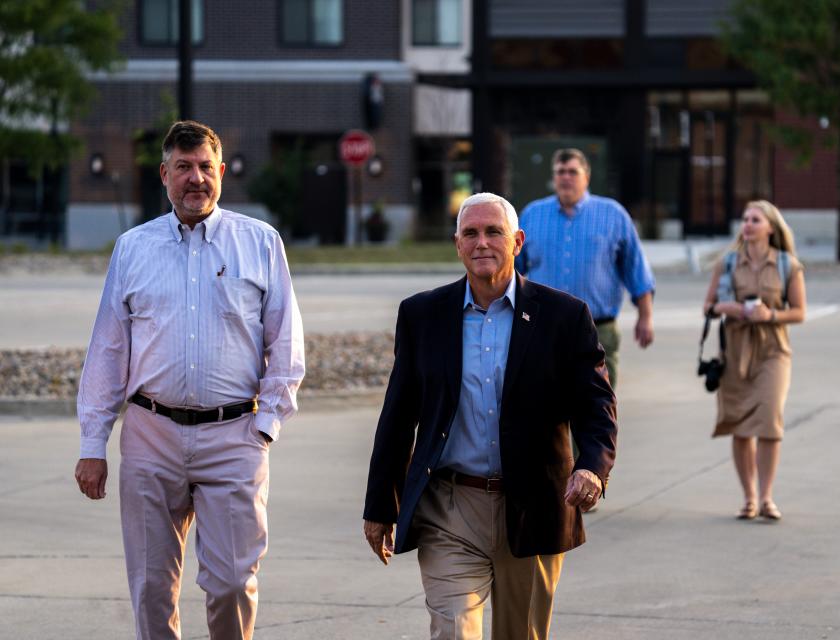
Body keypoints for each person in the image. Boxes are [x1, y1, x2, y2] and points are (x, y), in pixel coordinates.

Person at [74, 120, 305, 639]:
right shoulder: (133, 248)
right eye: (183, 168)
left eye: (205, 167)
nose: (195, 178)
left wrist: (265, 425)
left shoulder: (260, 243)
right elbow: (109, 350)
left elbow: (286, 346)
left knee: (230, 583)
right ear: (164, 175)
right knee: (152, 587)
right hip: (150, 435)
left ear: (222, 172)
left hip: (234, 437)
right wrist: (94, 442)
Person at [362, 192, 617, 639]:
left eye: (494, 232)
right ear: (457, 243)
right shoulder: (422, 315)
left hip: (535, 503)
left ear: (517, 241)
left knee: (521, 634)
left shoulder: (564, 316)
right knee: (454, 630)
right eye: (471, 233)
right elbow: (399, 414)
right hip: (450, 505)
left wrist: (592, 467)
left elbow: (595, 405)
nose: (482, 242)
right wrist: (382, 506)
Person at [701, 200, 806, 521]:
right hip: (734, 352)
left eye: (755, 220)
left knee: (770, 421)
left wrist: (769, 313)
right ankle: (748, 498)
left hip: (773, 351)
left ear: (770, 227)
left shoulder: (788, 264)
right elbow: (708, 306)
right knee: (741, 425)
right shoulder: (728, 263)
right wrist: (727, 308)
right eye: (745, 219)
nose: (747, 225)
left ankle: (767, 497)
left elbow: (799, 312)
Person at [515, 148, 655, 389]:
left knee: (598, 412)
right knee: (549, 412)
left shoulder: (613, 215)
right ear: (553, 177)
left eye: (572, 171)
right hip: (546, 329)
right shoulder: (532, 215)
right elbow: (512, 270)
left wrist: (646, 317)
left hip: (598, 329)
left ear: (586, 177)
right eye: (560, 172)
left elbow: (636, 269)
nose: (566, 177)